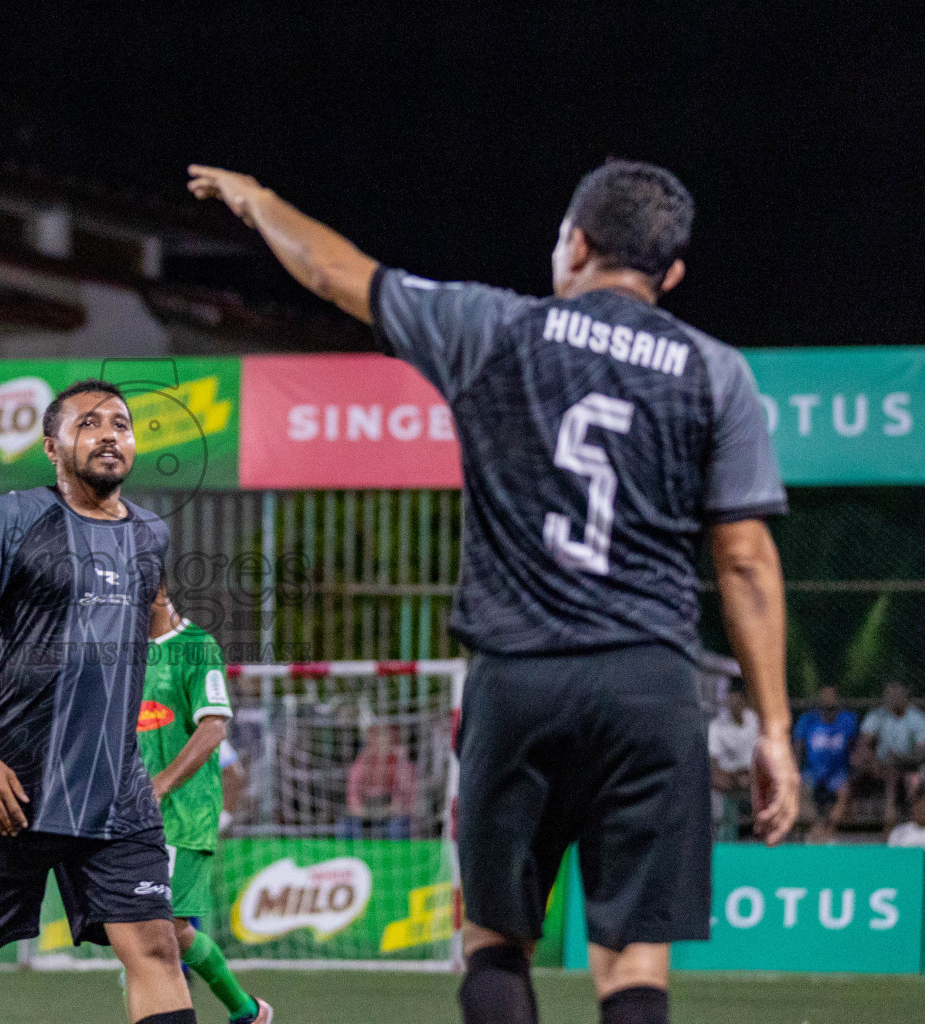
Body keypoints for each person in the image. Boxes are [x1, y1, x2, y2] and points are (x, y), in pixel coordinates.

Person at [190, 160, 799, 1024]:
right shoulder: (717, 373)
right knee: (631, 964)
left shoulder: (495, 327)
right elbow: (744, 560)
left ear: (578, 243)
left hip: (520, 680)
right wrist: (774, 729)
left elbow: (334, 273)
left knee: (494, 941)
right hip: (651, 687)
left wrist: (259, 203)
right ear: (669, 274)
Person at [0, 380, 193, 1024]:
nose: (109, 435)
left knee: (154, 946)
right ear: (51, 446)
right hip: (10, 786)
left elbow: (151, 628)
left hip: (115, 787)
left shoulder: (150, 535)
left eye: (120, 424)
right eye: (89, 424)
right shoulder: (10, 519)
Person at [140, 583, 272, 1024]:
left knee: (163, 933)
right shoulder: (129, 653)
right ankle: (246, 1011)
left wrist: (161, 783)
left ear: (156, 592)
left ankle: (245, 1010)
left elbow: (213, 728)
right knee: (152, 934)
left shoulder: (197, 646)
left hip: (185, 814)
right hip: (136, 816)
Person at [853, 681, 925, 831]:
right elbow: (863, 745)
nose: (893, 698)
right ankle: (888, 833)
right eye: (890, 694)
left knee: (910, 780)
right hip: (881, 766)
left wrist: (899, 759)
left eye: (897, 694)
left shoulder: (917, 718)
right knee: (890, 778)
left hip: (910, 766)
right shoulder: (878, 716)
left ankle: (915, 830)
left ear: (905, 695)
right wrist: (874, 763)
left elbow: (920, 752)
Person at [794, 686, 858, 842]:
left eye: (832, 707)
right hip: (813, 771)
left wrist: (853, 769)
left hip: (838, 773)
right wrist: (793, 770)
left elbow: (854, 748)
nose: (829, 711)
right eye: (825, 707)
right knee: (800, 788)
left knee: (845, 791)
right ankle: (817, 827)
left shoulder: (847, 720)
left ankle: (829, 831)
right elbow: (797, 748)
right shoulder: (808, 721)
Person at [343, 722, 419, 839]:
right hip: (366, 813)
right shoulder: (361, 763)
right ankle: (353, 857)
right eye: (378, 737)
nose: (383, 742)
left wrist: (390, 809)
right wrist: (366, 812)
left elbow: (405, 802)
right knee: (346, 827)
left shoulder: (402, 763)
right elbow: (352, 800)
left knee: (396, 828)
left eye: (387, 737)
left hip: (393, 815)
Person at [708, 684, 761, 840]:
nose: (731, 706)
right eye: (729, 702)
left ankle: (763, 840)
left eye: (735, 702)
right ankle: (725, 840)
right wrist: (729, 778)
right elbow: (713, 762)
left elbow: (762, 757)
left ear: (744, 702)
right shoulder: (717, 725)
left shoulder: (756, 722)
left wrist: (751, 776)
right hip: (727, 782)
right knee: (717, 789)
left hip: (753, 779)